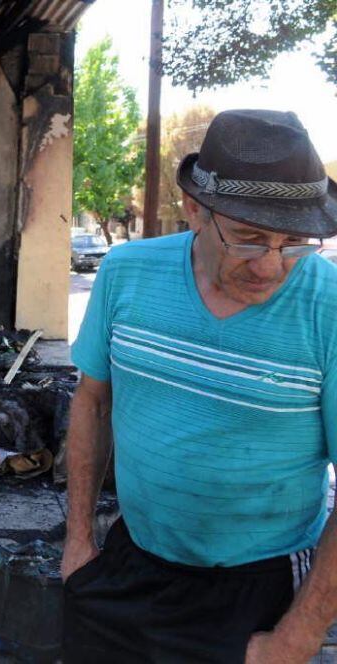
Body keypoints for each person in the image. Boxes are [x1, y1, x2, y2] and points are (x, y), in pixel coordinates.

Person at [62, 109, 337, 663]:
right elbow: (92, 403)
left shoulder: (328, 306)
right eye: (249, 238)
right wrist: (79, 540)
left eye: (295, 243)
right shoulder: (125, 271)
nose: (272, 267)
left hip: (258, 585)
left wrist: (299, 632)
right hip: (130, 557)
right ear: (193, 210)